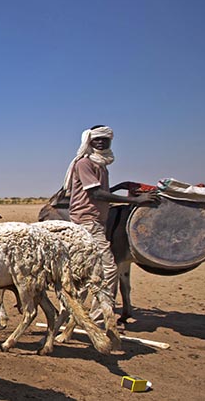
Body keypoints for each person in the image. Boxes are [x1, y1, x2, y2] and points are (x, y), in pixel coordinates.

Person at [63, 125, 157, 313]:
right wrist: (135, 200)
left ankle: (72, 315)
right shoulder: (85, 163)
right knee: (108, 269)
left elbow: (96, 191)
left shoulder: (101, 165)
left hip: (95, 221)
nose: (101, 142)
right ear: (89, 141)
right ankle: (99, 320)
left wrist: (120, 187)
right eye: (97, 138)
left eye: (105, 139)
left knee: (82, 272)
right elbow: (96, 193)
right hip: (87, 222)